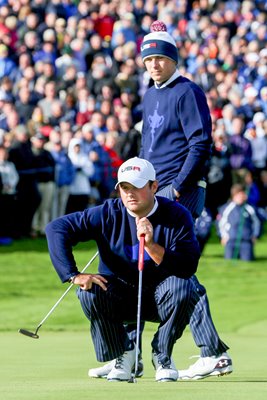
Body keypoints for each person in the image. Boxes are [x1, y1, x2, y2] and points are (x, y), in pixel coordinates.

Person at [90, 21, 233, 381]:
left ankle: (211, 352)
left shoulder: (188, 92)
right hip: (152, 189)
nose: (154, 64)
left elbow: (200, 144)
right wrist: (130, 184)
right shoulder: (150, 93)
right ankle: (132, 352)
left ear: (173, 59)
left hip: (179, 192)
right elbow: (147, 147)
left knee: (175, 266)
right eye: (148, 58)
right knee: (150, 266)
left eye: (160, 58)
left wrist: (176, 188)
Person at [45, 157, 201, 382]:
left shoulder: (177, 215)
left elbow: (188, 266)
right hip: (119, 297)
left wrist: (150, 245)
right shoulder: (108, 212)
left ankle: (162, 353)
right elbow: (56, 228)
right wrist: (73, 274)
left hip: (162, 298)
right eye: (124, 188)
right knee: (89, 290)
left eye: (136, 187)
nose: (129, 194)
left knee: (185, 285)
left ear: (154, 187)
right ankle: (124, 354)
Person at [217, 183, 261, 261]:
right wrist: (223, 236)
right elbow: (221, 223)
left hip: (246, 241)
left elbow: (256, 223)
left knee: (247, 260)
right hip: (231, 241)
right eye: (240, 195)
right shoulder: (227, 208)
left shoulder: (250, 208)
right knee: (229, 262)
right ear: (234, 195)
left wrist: (255, 235)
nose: (243, 197)